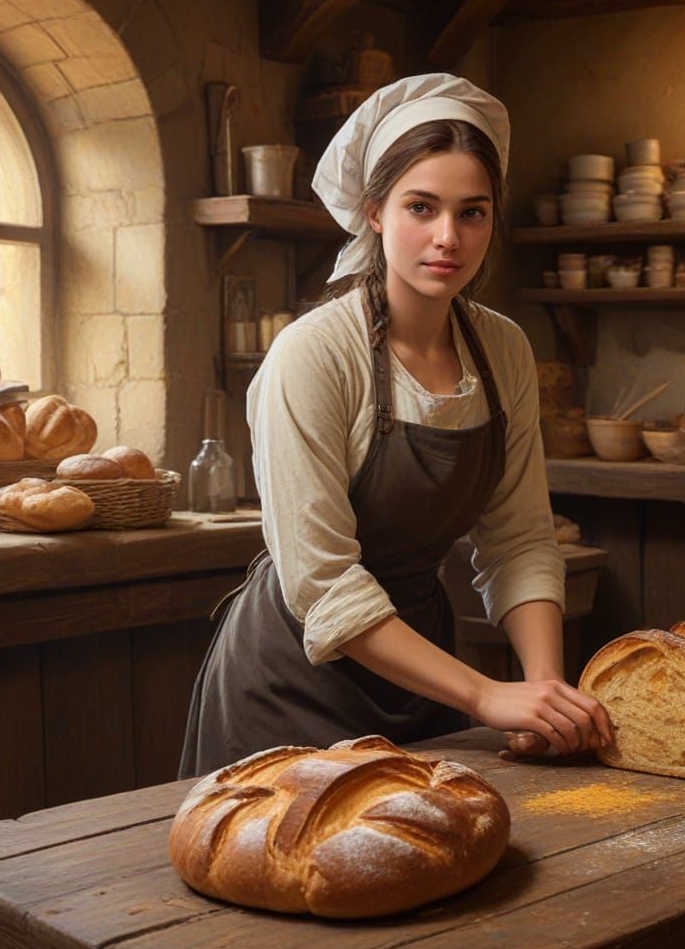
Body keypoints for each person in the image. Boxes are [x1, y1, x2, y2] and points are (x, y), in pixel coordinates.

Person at [179, 73, 611, 778]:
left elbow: (520, 540)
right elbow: (323, 584)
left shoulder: (503, 350)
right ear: (374, 211)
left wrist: (543, 693)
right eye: (421, 207)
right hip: (290, 686)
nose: (448, 237)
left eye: (473, 213)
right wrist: (485, 695)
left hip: (422, 678)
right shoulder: (313, 354)